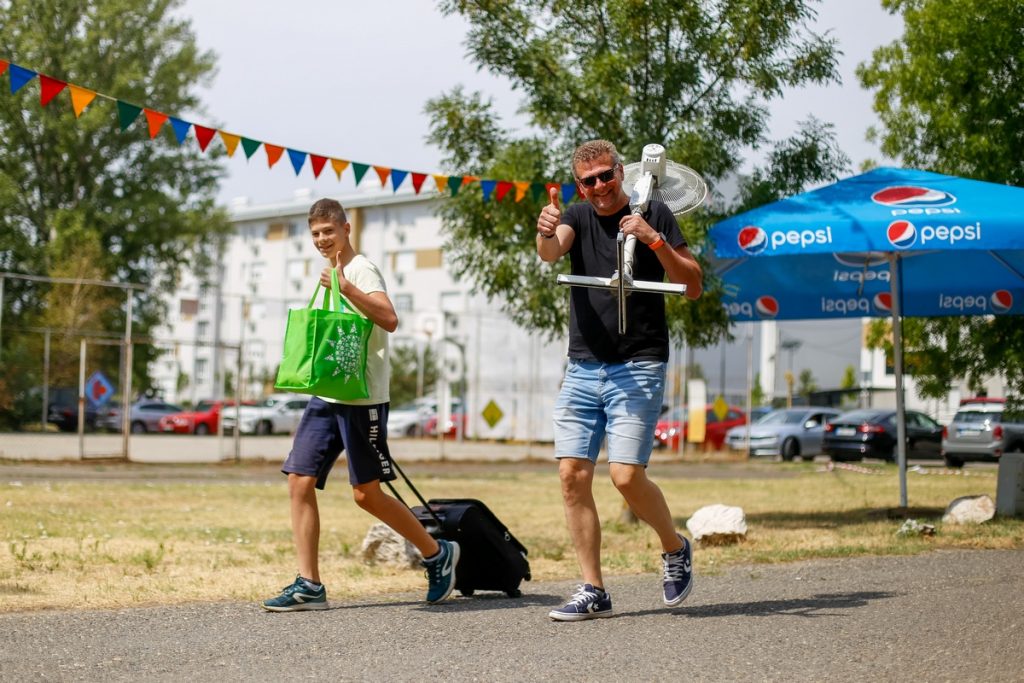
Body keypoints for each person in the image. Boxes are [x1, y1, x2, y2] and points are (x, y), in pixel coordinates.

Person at [262, 198, 458, 611]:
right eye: (315, 234)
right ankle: (309, 584)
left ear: (346, 229)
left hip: (362, 397)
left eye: (328, 231)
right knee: (298, 480)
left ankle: (437, 554)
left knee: (366, 495)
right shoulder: (327, 274)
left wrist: (346, 287)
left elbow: (389, 318)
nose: (321, 239)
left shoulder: (360, 269)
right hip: (327, 393)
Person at [535, 139, 703, 621]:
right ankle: (593, 589)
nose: (600, 186)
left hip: (638, 363)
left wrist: (653, 239)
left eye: (607, 175)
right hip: (583, 365)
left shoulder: (654, 212)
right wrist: (545, 231)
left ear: (621, 173)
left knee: (626, 476)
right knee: (572, 475)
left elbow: (692, 285)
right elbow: (551, 252)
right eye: (588, 181)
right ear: (579, 187)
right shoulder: (576, 215)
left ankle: (673, 547)